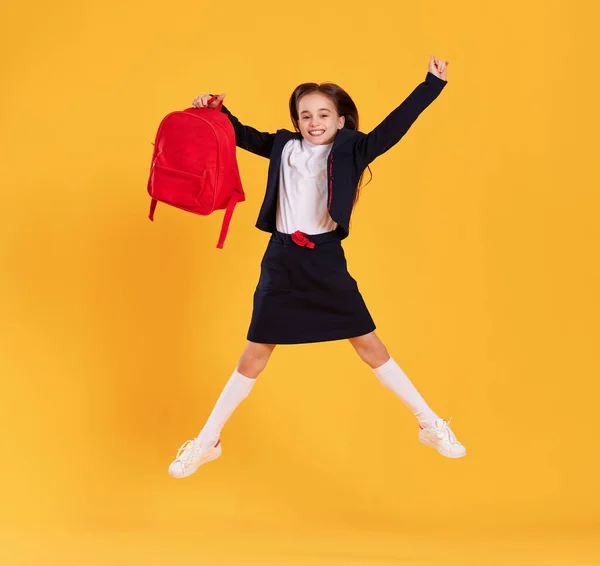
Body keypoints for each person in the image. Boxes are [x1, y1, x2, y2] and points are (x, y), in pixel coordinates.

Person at [168, 55, 466, 479]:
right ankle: (206, 442)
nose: (313, 121)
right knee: (254, 355)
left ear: (340, 120)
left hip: (325, 261)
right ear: (296, 120)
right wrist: (214, 109)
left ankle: (430, 424)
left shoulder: (354, 149)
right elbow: (237, 133)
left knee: (370, 348)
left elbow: (395, 126)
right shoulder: (283, 147)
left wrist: (431, 85)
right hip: (282, 261)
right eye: (305, 114)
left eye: (323, 114)